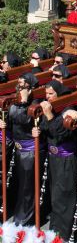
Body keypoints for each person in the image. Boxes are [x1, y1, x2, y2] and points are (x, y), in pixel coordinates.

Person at [33, 80, 76, 241]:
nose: (48, 97)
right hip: (53, 158)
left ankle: (63, 233)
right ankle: (54, 229)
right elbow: (46, 130)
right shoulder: (49, 108)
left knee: (65, 195)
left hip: (65, 159)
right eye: (46, 94)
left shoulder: (67, 110)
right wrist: (37, 130)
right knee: (55, 195)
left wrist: (49, 115)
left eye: (51, 94)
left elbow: (60, 133)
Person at [0, 72, 44, 225]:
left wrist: (25, 101)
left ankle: (23, 220)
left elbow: (23, 119)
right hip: (17, 149)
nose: (19, 87)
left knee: (27, 187)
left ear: (30, 88)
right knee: (17, 183)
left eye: (23, 84)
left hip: (29, 151)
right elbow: (11, 120)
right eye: (18, 83)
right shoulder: (17, 100)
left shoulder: (35, 103)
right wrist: (3, 125)